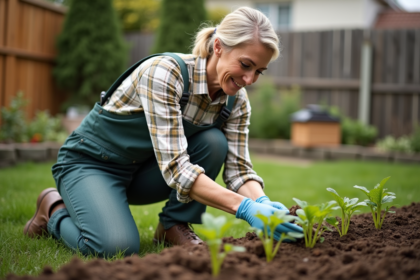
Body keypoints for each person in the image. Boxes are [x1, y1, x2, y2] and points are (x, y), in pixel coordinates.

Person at [23, 6, 302, 257]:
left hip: (143, 170)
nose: (250, 79)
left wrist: (263, 203)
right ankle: (53, 210)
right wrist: (246, 209)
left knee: (214, 142)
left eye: (259, 71)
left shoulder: (236, 100)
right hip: (92, 165)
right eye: (245, 65)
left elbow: (238, 169)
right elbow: (177, 170)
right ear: (218, 46)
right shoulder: (166, 73)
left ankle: (172, 226)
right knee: (114, 248)